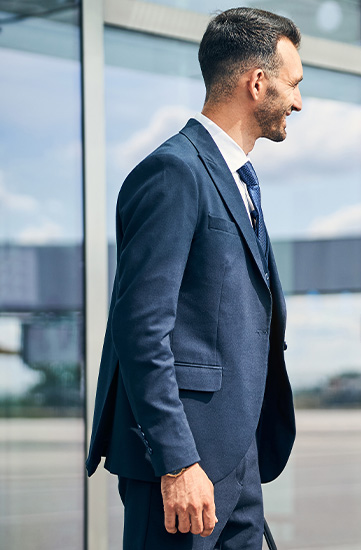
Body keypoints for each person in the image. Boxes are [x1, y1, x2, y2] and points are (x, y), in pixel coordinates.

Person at [85, 8, 303, 549]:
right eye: (293, 85)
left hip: (237, 456)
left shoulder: (237, 180)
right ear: (257, 82)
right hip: (185, 466)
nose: (298, 102)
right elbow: (140, 329)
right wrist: (178, 461)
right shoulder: (174, 172)